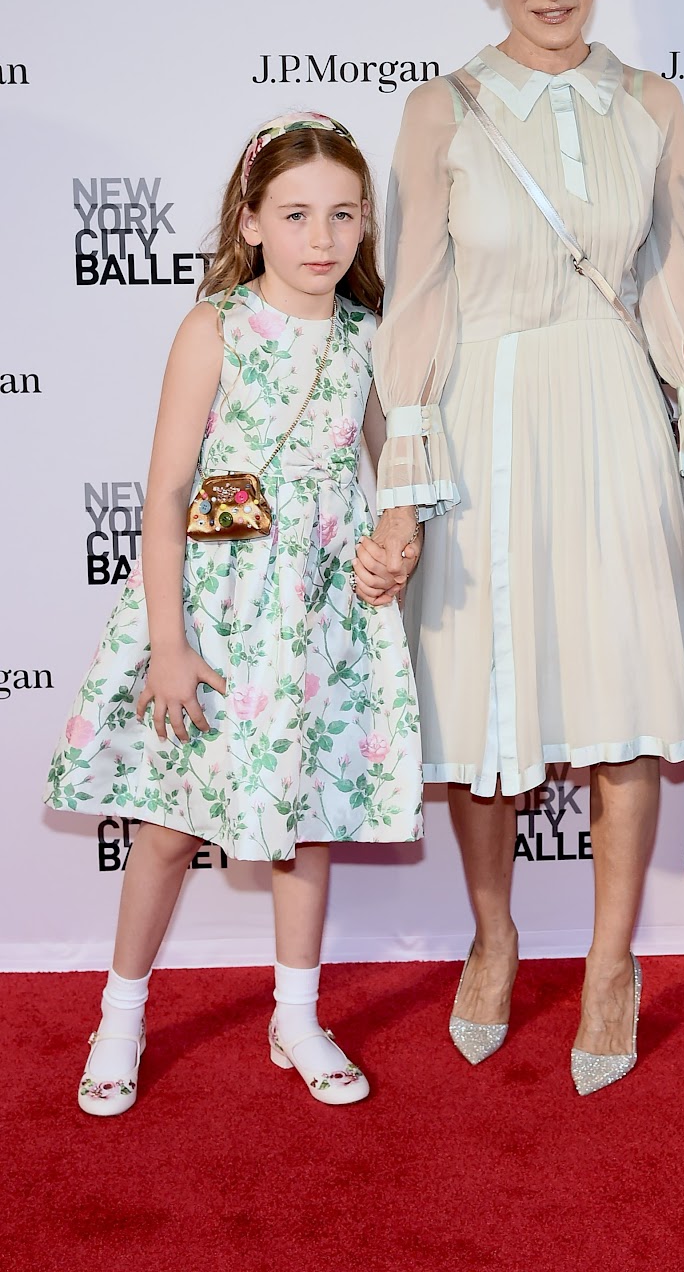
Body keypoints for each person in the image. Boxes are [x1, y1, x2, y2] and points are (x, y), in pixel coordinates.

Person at [354, 0, 684, 1095]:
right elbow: (415, 297)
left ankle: (614, 960)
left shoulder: (652, 106)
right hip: (481, 420)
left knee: (627, 697)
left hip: (613, 413)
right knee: (484, 708)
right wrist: (403, 482)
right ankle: (495, 935)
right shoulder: (441, 110)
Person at [46, 112, 423, 1115]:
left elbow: (394, 470)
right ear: (251, 221)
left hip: (318, 613)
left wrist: (394, 545)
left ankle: (295, 1015)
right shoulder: (213, 326)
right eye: (297, 215)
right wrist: (169, 643)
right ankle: (119, 1017)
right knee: (169, 821)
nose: (322, 238)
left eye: (344, 215)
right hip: (216, 610)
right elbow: (168, 490)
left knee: (303, 821)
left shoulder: (368, 335)